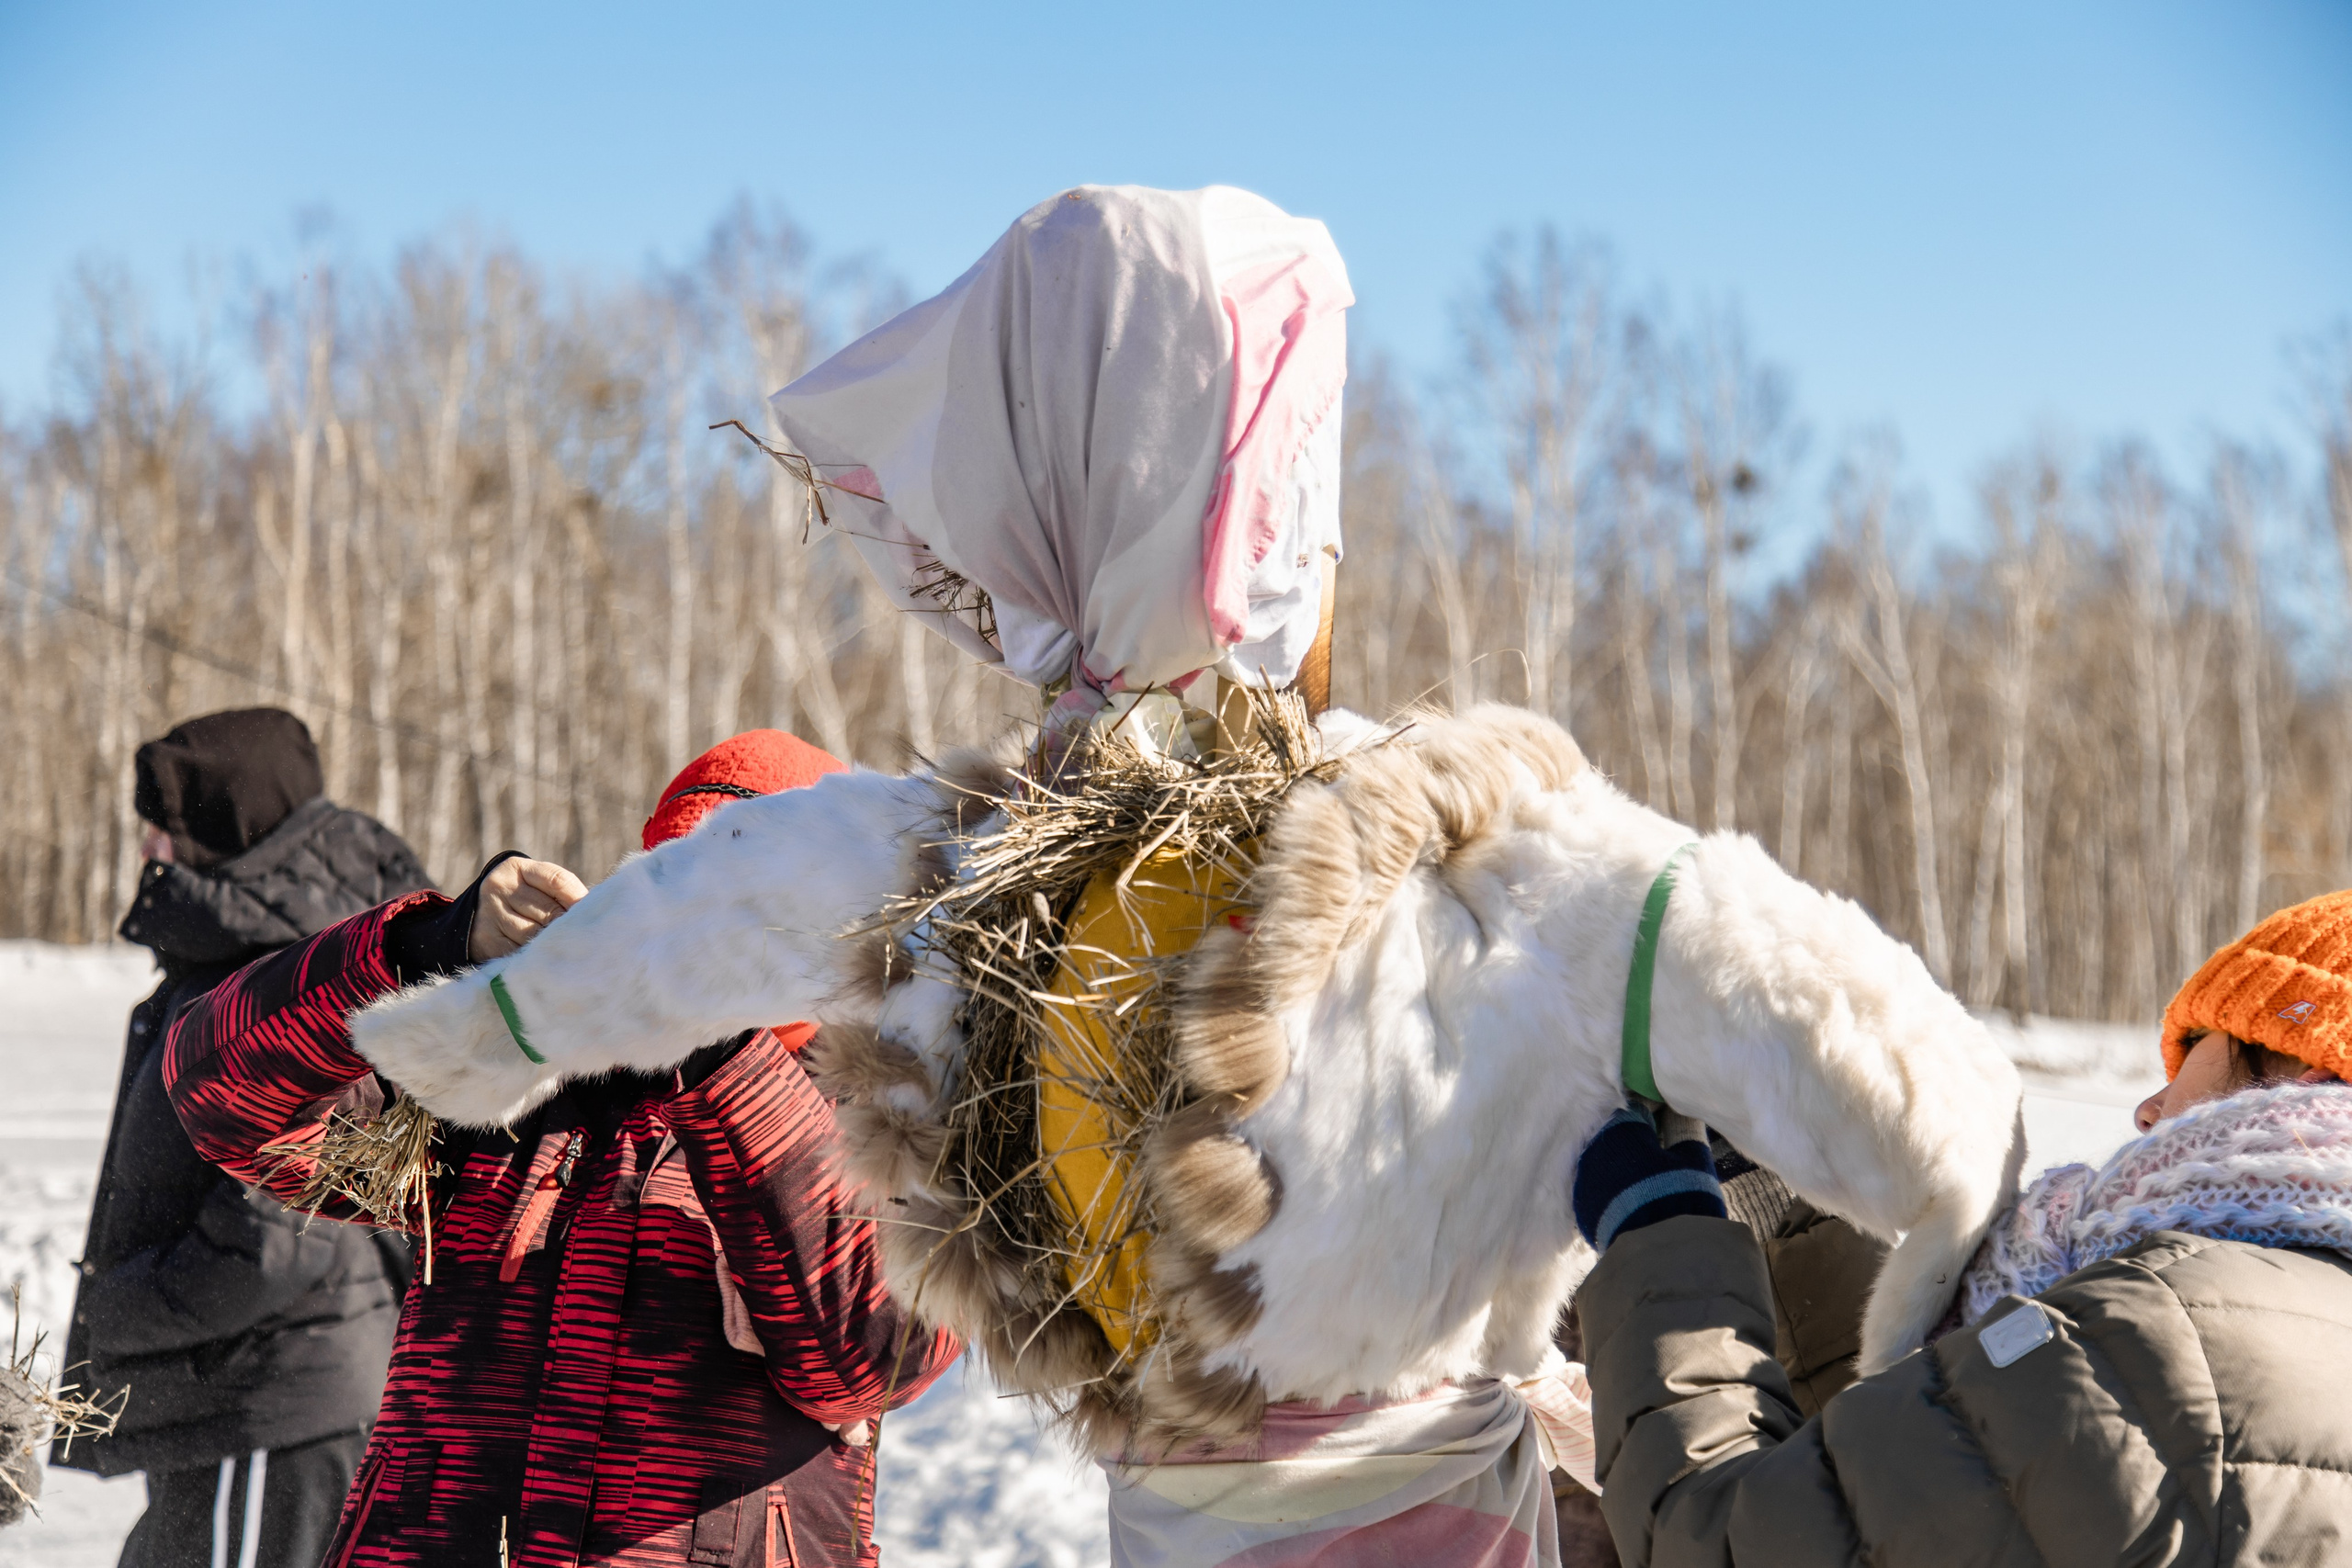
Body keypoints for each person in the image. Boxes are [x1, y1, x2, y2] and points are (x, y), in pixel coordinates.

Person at [161, 728, 960, 1568]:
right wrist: (428, 947)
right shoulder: (524, 1074)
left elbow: (871, 1360)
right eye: (678, 881)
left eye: (749, 899)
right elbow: (224, 1099)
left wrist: (718, 1040)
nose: (696, 927)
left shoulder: (904, 1110)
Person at [1568, 887, 2352, 1565]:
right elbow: (1968, 1509)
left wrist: (1662, 1238)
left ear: (2303, 1067)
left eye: (2196, 1052)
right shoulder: (2300, 1334)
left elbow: (1725, 1542)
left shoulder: (2165, 1337)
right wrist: (1798, 1219)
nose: (2150, 1107)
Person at [57, 706, 432, 1568]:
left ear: (231, 829)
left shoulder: (281, 972)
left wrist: (119, 1306)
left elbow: (283, 1228)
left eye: (166, 827)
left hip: (274, 1398)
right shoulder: (263, 951)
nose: (149, 848)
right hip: (248, 1397)